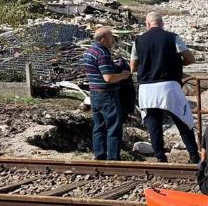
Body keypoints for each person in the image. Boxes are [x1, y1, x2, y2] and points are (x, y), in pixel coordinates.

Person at [130, 12, 200, 163]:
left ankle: (160, 157)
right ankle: (194, 155)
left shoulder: (138, 41)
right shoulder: (172, 37)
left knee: (154, 124)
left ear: (147, 25)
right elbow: (190, 58)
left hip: (147, 88)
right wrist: (176, 64)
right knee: (183, 120)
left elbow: (133, 67)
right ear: (162, 24)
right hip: (169, 85)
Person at [83, 28, 131, 160]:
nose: (113, 41)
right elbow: (108, 78)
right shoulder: (102, 53)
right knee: (113, 127)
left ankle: (99, 155)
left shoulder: (89, 52)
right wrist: (123, 75)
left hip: (94, 93)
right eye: (111, 38)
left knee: (99, 126)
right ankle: (113, 158)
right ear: (103, 39)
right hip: (107, 94)